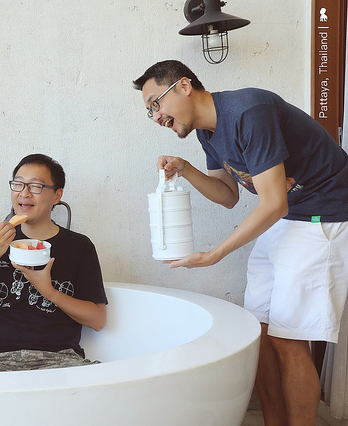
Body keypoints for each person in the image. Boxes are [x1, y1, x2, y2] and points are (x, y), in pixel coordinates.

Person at [133, 59, 348, 426]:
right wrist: (186, 168)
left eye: (156, 103)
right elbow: (228, 195)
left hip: (321, 216)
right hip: (287, 217)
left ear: (184, 86)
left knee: (289, 339)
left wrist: (215, 254)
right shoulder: (206, 132)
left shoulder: (249, 112)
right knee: (258, 332)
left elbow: (274, 202)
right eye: (149, 111)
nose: (155, 117)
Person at [0, 153, 107, 372]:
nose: (24, 193)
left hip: (60, 360)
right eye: (18, 184)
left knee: (99, 386)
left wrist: (49, 292)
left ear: (57, 195)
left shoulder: (79, 246)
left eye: (35, 186)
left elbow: (98, 320)